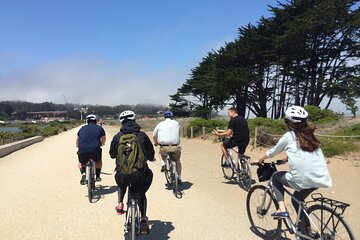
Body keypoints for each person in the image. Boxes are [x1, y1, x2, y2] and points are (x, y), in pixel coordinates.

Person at [253, 106, 332, 219]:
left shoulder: (288, 136)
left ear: (288, 123)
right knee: (296, 200)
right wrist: (286, 158)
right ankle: (306, 230)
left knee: (275, 176)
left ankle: (281, 209)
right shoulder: (310, 136)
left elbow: (273, 152)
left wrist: (260, 159)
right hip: (320, 178)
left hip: (303, 179)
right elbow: (304, 153)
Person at [109, 110, 155, 234]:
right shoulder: (142, 135)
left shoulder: (118, 136)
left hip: (122, 175)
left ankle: (120, 204)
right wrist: (150, 158)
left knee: (121, 181)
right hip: (140, 174)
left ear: (122, 122)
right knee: (141, 192)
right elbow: (151, 154)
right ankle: (144, 219)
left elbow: (112, 155)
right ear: (134, 120)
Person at [152, 110, 182, 184]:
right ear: (172, 117)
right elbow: (180, 133)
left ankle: (163, 164)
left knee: (163, 154)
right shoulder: (176, 123)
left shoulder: (160, 124)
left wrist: (155, 143)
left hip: (164, 146)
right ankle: (179, 178)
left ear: (164, 117)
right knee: (177, 161)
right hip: (175, 146)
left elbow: (154, 135)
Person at [76, 114, 106, 185]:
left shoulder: (82, 128)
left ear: (87, 121)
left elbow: (78, 139)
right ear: (95, 121)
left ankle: (83, 173)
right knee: (98, 161)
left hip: (83, 149)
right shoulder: (100, 128)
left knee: (81, 162)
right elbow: (103, 138)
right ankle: (98, 176)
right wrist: (102, 144)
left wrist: (78, 146)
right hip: (95, 149)